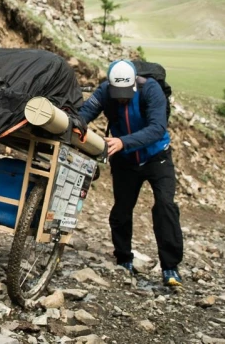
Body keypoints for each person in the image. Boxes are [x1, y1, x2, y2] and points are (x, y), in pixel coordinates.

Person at [78, 60, 184, 288]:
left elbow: (158, 128)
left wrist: (123, 142)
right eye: (118, 93)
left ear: (134, 84)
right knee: (122, 210)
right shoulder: (105, 91)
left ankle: (170, 267)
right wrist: (72, 126)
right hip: (125, 160)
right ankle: (123, 258)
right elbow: (85, 113)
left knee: (165, 205)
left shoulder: (151, 89)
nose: (122, 98)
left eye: (126, 93)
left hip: (157, 156)